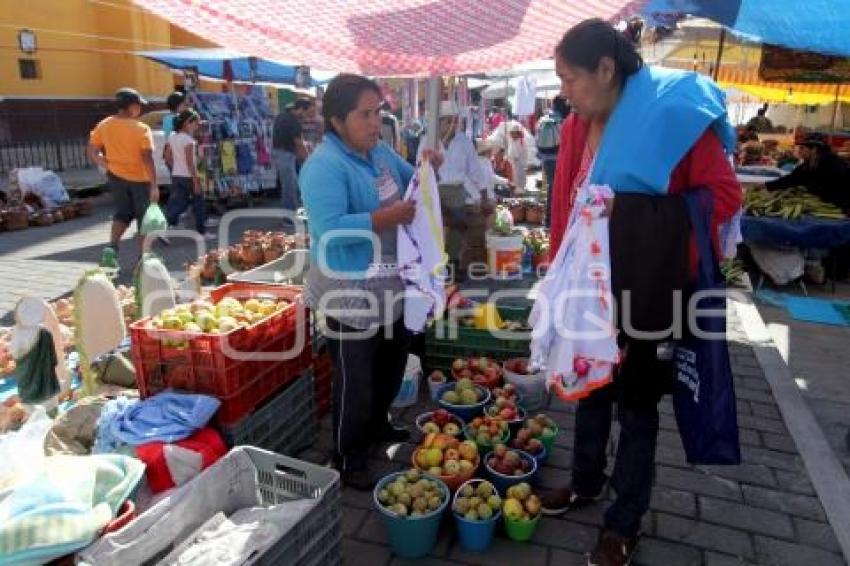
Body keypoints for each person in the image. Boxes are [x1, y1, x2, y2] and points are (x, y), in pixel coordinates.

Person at [544, 19, 740, 566]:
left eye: (569, 78)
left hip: (649, 295)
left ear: (606, 70)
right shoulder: (574, 129)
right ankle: (585, 483)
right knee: (588, 387)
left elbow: (722, 199)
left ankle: (622, 522)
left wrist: (638, 232)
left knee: (636, 407)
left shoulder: (673, 122)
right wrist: (558, 271)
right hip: (587, 294)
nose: (563, 91)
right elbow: (566, 206)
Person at [300, 74, 430, 490]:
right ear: (337, 120)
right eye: (365, 115)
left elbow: (413, 180)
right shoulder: (324, 165)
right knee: (354, 380)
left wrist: (430, 167)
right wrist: (385, 219)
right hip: (348, 294)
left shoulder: (379, 153)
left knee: (390, 368)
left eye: (378, 113)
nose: (376, 123)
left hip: (391, 286)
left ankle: (377, 425)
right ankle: (347, 455)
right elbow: (330, 227)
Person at [420, 101, 493, 279]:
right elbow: (419, 169)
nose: (451, 125)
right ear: (439, 122)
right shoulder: (427, 141)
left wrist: (484, 196)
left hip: (456, 190)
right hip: (433, 188)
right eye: (447, 121)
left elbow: (475, 170)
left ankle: (452, 262)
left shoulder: (463, 141)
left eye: (454, 121)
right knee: (433, 228)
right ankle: (432, 265)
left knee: (459, 224)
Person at [87, 87, 159, 258]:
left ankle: (112, 247)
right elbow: (147, 157)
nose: (140, 109)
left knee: (123, 213)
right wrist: (154, 185)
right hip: (140, 179)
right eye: (139, 106)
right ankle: (145, 256)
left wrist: (106, 164)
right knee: (144, 218)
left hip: (116, 177)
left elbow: (91, 150)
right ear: (132, 107)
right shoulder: (141, 128)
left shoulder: (104, 125)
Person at [765, 134, 850, 212]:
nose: (799, 151)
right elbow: (792, 178)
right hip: (827, 203)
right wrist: (766, 186)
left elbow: (837, 188)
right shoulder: (809, 163)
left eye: (802, 148)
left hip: (841, 206)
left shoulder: (831, 163)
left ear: (814, 149)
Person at [163, 109, 211, 240]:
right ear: (187, 123)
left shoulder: (173, 136)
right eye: (196, 123)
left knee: (179, 203)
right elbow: (190, 163)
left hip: (177, 175)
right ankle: (202, 232)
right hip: (189, 176)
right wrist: (196, 181)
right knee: (198, 203)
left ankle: (164, 225)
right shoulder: (188, 140)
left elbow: (167, 156)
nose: (197, 126)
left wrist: (175, 167)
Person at [536, 96, 567, 225]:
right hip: (558, 157)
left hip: (545, 158)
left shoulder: (542, 119)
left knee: (551, 187)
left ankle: (548, 219)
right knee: (559, 188)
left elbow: (536, 138)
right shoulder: (562, 120)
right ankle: (555, 218)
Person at [272, 102, 308, 212]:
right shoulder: (293, 121)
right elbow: (299, 143)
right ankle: (289, 215)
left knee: (291, 184)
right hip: (286, 154)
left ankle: (294, 210)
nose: (306, 116)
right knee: (290, 185)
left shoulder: (281, 116)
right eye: (306, 112)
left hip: (279, 152)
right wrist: (308, 159)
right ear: (300, 109)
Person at [506, 120, 529, 192]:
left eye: (514, 133)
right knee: (514, 176)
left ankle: (520, 189)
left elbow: (522, 153)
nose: (513, 135)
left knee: (519, 176)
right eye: (512, 133)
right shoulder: (512, 141)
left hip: (519, 163)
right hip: (512, 162)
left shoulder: (521, 141)